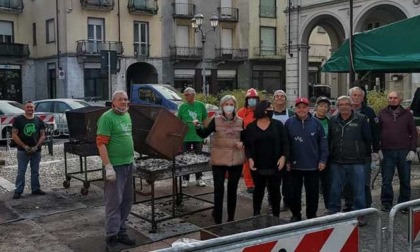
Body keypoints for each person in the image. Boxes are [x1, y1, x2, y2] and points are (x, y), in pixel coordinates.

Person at [194, 95, 245, 224]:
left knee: (232, 189)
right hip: (219, 158)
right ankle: (218, 219)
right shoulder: (215, 120)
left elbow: (245, 137)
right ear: (222, 106)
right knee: (218, 189)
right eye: (226, 104)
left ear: (235, 106)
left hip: (236, 159)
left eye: (231, 104)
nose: (229, 106)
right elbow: (204, 133)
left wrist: (243, 143)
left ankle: (231, 218)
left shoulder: (240, 121)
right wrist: (197, 127)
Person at [97, 90, 136, 251]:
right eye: (120, 100)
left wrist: (133, 157)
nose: (124, 102)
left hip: (128, 164)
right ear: (113, 102)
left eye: (126, 99)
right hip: (116, 167)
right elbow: (101, 143)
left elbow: (128, 137)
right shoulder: (107, 118)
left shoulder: (127, 115)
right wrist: (108, 166)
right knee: (114, 202)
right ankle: (111, 236)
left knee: (127, 201)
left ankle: (121, 231)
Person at [328, 96, 372, 227]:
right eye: (341, 104)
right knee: (335, 189)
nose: (344, 107)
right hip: (337, 161)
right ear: (337, 107)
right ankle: (333, 212)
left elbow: (367, 138)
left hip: (357, 161)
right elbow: (329, 139)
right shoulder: (333, 120)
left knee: (359, 191)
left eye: (347, 104)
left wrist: (366, 156)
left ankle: (360, 214)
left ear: (351, 106)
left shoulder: (361, 119)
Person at [285, 97, 328, 222]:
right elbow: (285, 143)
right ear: (295, 108)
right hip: (294, 165)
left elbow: (323, 144)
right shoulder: (289, 123)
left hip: (313, 165)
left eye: (304, 107)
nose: (301, 109)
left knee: (312, 193)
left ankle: (311, 215)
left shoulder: (316, 123)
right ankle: (296, 214)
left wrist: (323, 160)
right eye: (299, 107)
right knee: (294, 193)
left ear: (308, 108)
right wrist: (287, 160)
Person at [245, 100, 289, 218]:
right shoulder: (251, 127)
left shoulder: (278, 125)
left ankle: (276, 215)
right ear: (261, 110)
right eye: (268, 108)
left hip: (275, 165)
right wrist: (249, 158)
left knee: (275, 191)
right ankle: (256, 213)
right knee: (258, 190)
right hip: (258, 166)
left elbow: (285, 143)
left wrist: (284, 157)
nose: (270, 110)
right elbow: (247, 146)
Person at [379, 91, 417, 213]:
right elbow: (376, 132)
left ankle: (404, 204)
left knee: (405, 180)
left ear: (400, 99)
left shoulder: (407, 114)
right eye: (390, 98)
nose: (393, 100)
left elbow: (414, 133)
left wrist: (412, 149)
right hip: (387, 151)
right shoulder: (382, 113)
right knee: (386, 180)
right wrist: (377, 148)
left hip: (403, 151)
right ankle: (386, 203)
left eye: (395, 98)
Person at [343, 86, 380, 211]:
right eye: (354, 95)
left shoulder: (369, 111)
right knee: (347, 181)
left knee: (364, 181)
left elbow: (375, 132)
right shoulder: (343, 110)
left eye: (359, 95)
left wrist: (375, 150)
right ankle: (348, 204)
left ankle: (365, 206)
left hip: (364, 153)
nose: (357, 98)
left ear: (363, 97)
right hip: (346, 153)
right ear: (350, 96)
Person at [12, 100, 46, 199]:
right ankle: (18, 190)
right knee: (21, 171)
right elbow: (14, 135)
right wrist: (25, 146)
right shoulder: (18, 120)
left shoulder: (39, 120)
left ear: (34, 108)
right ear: (24, 108)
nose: (30, 109)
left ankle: (35, 189)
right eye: (28, 107)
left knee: (35, 171)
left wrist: (36, 147)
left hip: (36, 150)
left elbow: (43, 135)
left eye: (31, 107)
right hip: (22, 151)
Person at [177, 87, 208, 188]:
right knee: (185, 158)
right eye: (184, 95)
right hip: (186, 137)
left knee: (198, 158)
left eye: (187, 95)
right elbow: (178, 120)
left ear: (193, 95)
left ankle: (199, 178)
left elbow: (205, 120)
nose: (185, 97)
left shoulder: (200, 105)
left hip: (198, 136)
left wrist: (205, 134)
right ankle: (185, 179)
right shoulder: (182, 107)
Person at [271, 89, 294, 211]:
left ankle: (287, 201)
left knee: (288, 180)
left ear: (285, 100)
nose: (279, 98)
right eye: (277, 96)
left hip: (288, 150)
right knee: (272, 179)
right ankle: (272, 201)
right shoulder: (268, 114)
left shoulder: (291, 114)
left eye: (282, 96)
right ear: (274, 100)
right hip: (272, 151)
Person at [237, 88, 260, 193]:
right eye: (250, 98)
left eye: (254, 98)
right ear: (247, 100)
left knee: (260, 162)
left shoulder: (261, 111)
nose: (252, 100)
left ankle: (259, 182)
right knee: (246, 164)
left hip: (259, 142)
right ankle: (250, 184)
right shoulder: (241, 112)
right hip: (247, 142)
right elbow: (237, 128)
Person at [313, 96, 332, 211]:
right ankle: (312, 210)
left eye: (326, 106)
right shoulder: (310, 121)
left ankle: (329, 207)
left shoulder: (330, 122)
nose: (323, 109)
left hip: (327, 158)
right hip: (313, 157)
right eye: (321, 106)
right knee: (313, 185)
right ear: (316, 107)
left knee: (327, 184)